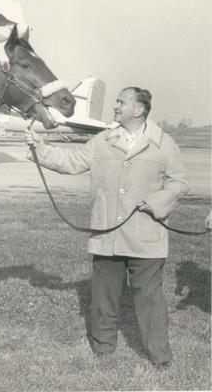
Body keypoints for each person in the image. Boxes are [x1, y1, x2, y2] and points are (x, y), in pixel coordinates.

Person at [25, 87, 189, 368]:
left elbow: (180, 183)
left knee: (149, 300)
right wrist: (39, 147)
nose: (115, 106)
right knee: (103, 297)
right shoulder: (102, 141)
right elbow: (72, 162)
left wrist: (156, 201)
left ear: (138, 109)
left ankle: (160, 356)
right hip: (106, 235)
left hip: (146, 238)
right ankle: (103, 349)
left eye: (121, 102)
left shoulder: (164, 144)